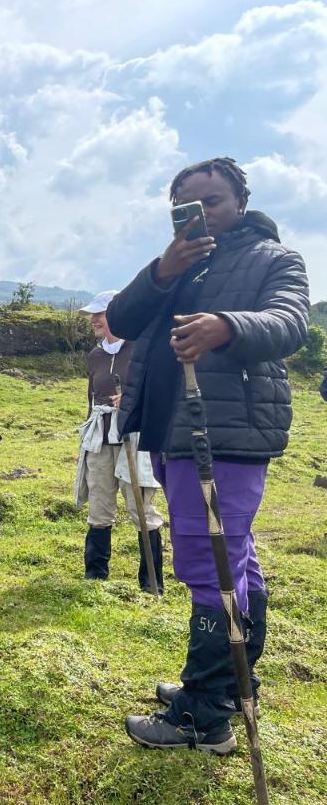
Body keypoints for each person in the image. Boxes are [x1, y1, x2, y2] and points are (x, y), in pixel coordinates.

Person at [108, 158, 309, 753]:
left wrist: (228, 324)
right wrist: (161, 272)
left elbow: (289, 322)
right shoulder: (175, 267)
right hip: (172, 431)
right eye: (185, 207)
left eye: (213, 201)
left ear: (240, 203)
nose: (201, 214)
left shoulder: (275, 259)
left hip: (226, 432)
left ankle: (206, 713)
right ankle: (234, 682)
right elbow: (119, 320)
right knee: (233, 561)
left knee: (210, 563)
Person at [74, 289, 164, 588]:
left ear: (117, 315)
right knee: (99, 505)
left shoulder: (141, 349)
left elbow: (158, 391)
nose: (94, 320)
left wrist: (130, 400)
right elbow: (90, 400)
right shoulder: (95, 355)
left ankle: (151, 583)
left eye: (100, 314)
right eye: (93, 315)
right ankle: (95, 576)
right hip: (100, 437)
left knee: (141, 507)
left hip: (135, 437)